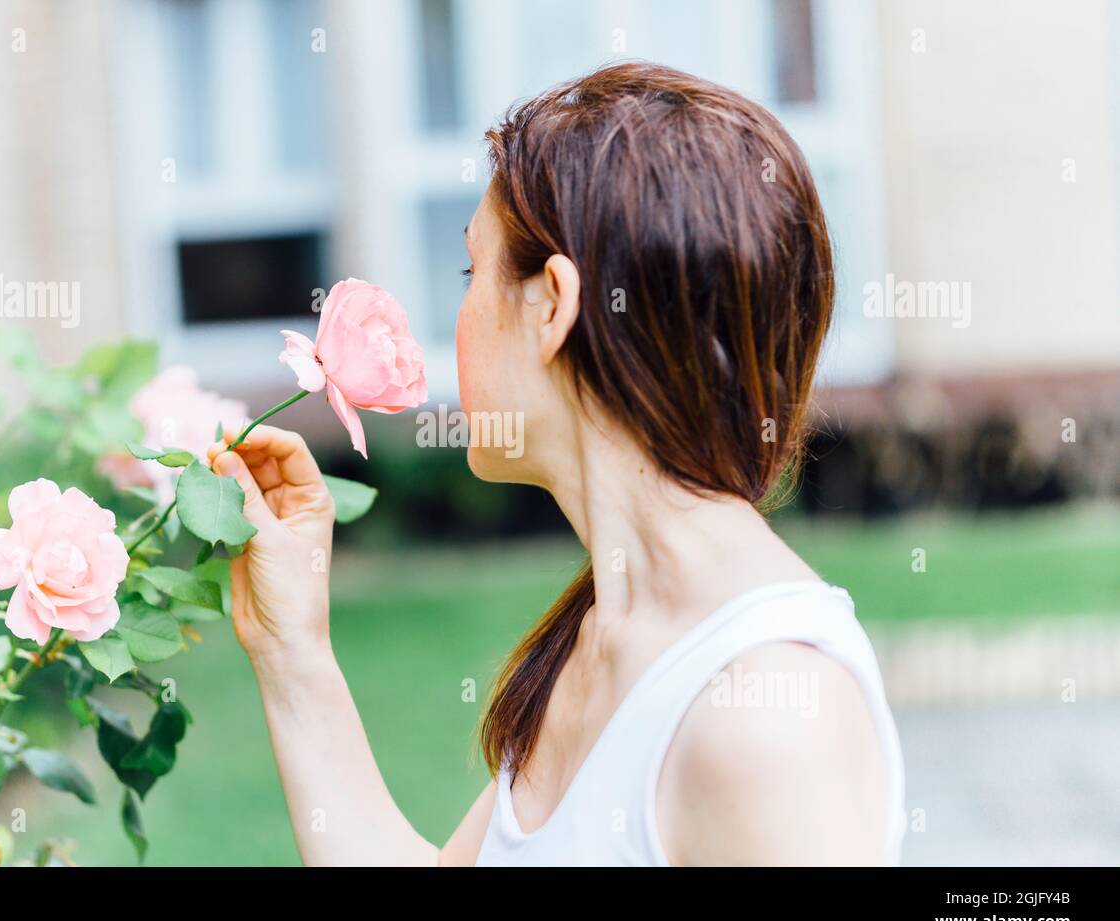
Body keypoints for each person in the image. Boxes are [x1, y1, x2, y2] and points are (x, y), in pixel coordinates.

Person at [207, 62, 906, 866]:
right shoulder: (601, 634)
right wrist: (291, 647)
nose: (458, 315)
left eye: (475, 272)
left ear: (553, 305)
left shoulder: (769, 721)